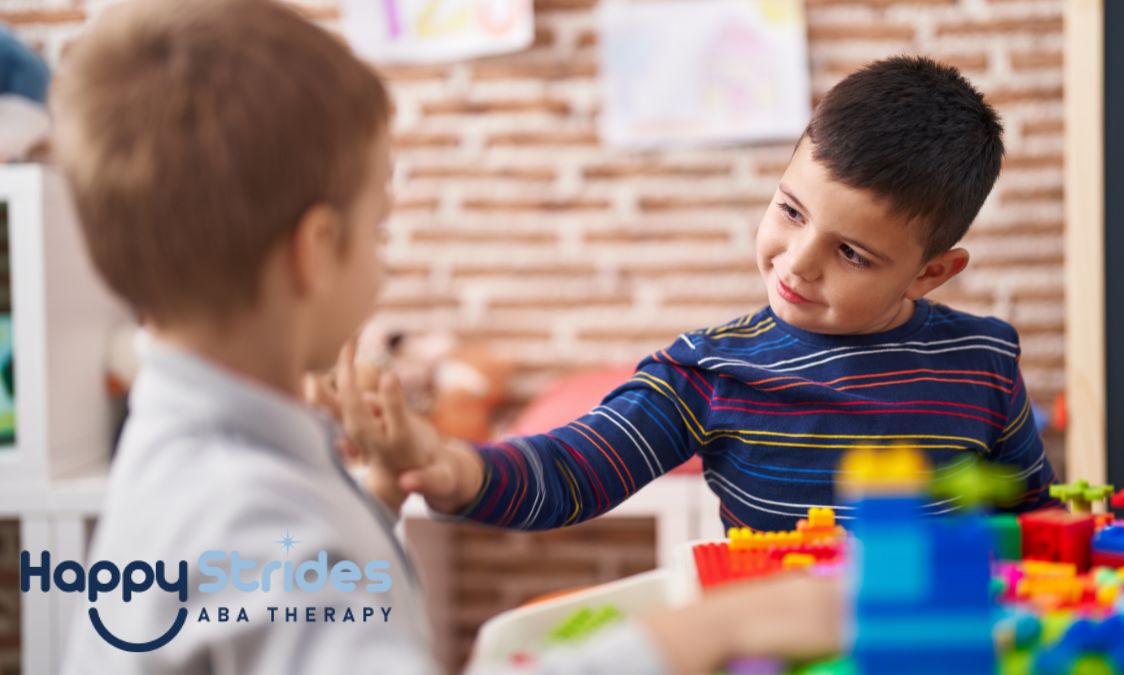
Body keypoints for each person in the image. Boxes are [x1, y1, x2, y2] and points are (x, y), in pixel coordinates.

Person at [53, 1, 839, 673]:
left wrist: (375, 501)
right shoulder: (257, 520)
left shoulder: (194, 462)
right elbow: (280, 565)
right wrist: (712, 626)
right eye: (378, 227)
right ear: (315, 250)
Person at [354, 56, 1057, 534]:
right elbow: (571, 469)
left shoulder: (984, 362)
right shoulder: (708, 373)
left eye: (850, 252)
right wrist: (452, 466)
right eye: (790, 210)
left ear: (932, 272)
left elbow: (1033, 518)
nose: (797, 262)